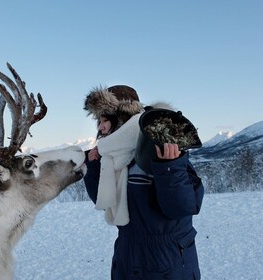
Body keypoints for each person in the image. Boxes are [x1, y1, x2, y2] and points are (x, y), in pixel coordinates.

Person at [83, 85, 204, 279]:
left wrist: (170, 168)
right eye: (98, 120)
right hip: (128, 257)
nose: (99, 126)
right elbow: (103, 199)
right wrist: (94, 167)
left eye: (104, 119)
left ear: (121, 115)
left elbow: (184, 206)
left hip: (167, 262)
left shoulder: (157, 143)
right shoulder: (112, 156)